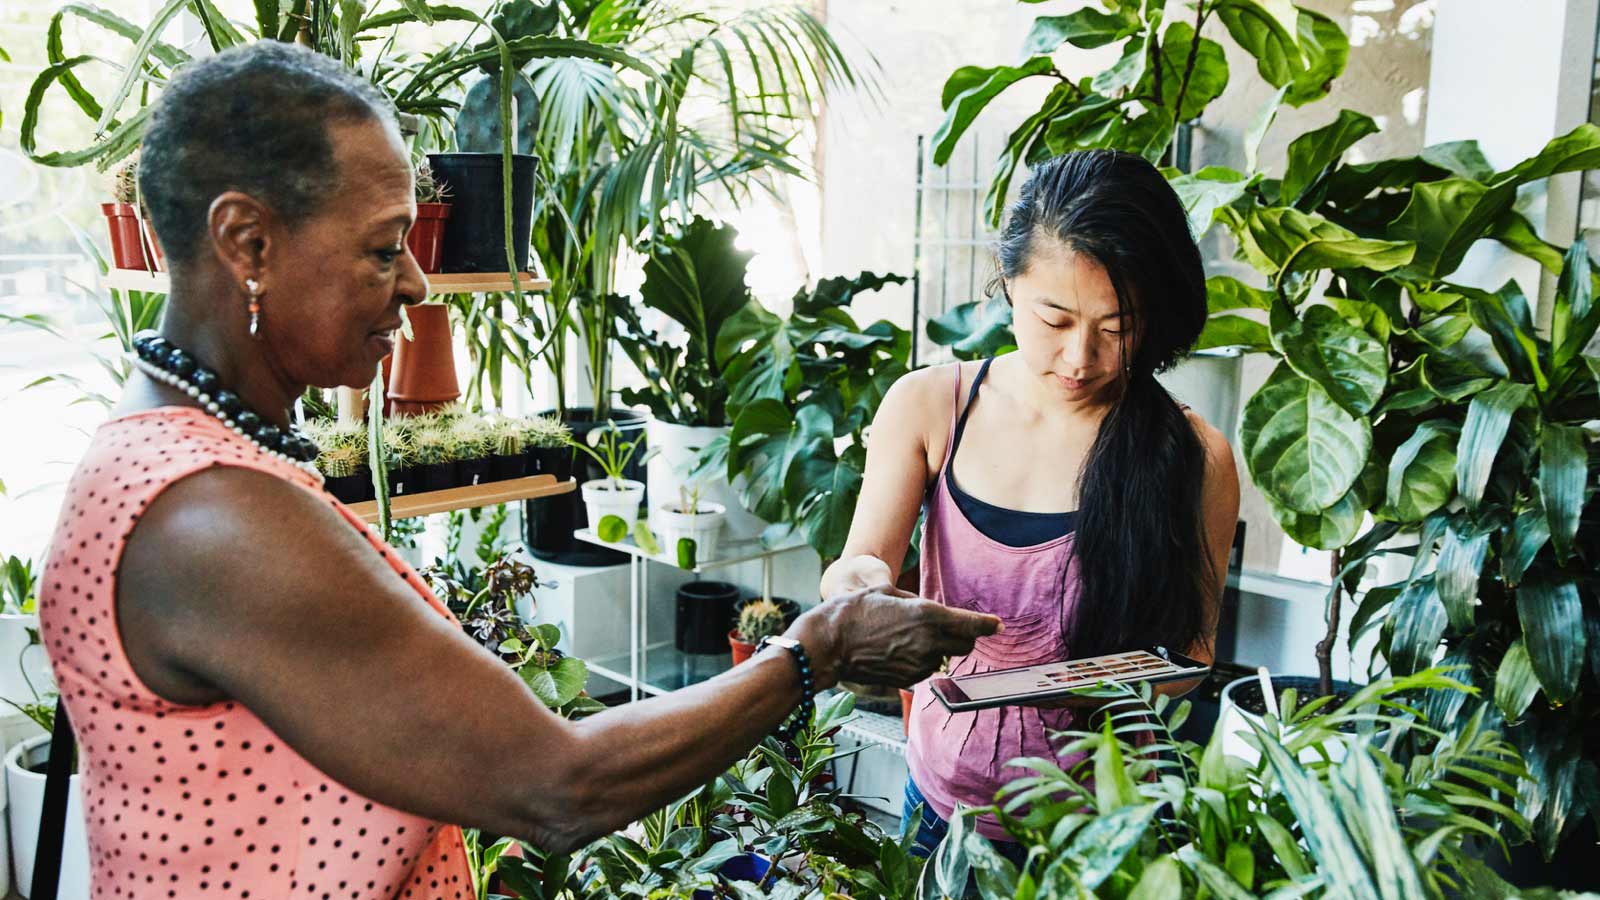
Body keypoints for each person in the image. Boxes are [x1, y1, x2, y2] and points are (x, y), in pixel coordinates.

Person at [37, 41, 999, 898]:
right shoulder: (213, 521)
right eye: (384, 249)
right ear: (249, 241)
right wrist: (817, 651)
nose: (416, 283)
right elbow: (557, 784)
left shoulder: (162, 453)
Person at [819, 150, 1241, 858]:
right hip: (942, 807)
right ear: (1009, 285)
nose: (1082, 357)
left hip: (1103, 830)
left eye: (1117, 327)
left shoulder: (1194, 455)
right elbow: (859, 563)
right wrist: (859, 589)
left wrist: (1083, 684)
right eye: (1056, 319)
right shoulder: (930, 406)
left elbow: (1193, 654)